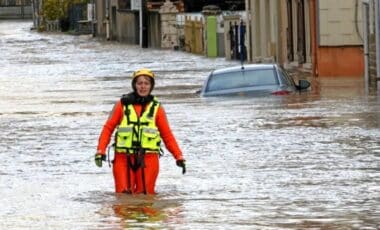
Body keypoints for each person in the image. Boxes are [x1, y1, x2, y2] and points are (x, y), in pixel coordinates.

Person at [95, 68, 186, 194]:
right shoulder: (121, 105)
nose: (143, 87)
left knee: (146, 197)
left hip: (149, 158)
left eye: (146, 83)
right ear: (134, 85)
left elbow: (167, 134)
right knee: (123, 197)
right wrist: (100, 151)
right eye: (139, 83)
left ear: (151, 86)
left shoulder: (157, 108)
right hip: (123, 158)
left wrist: (178, 156)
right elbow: (108, 128)